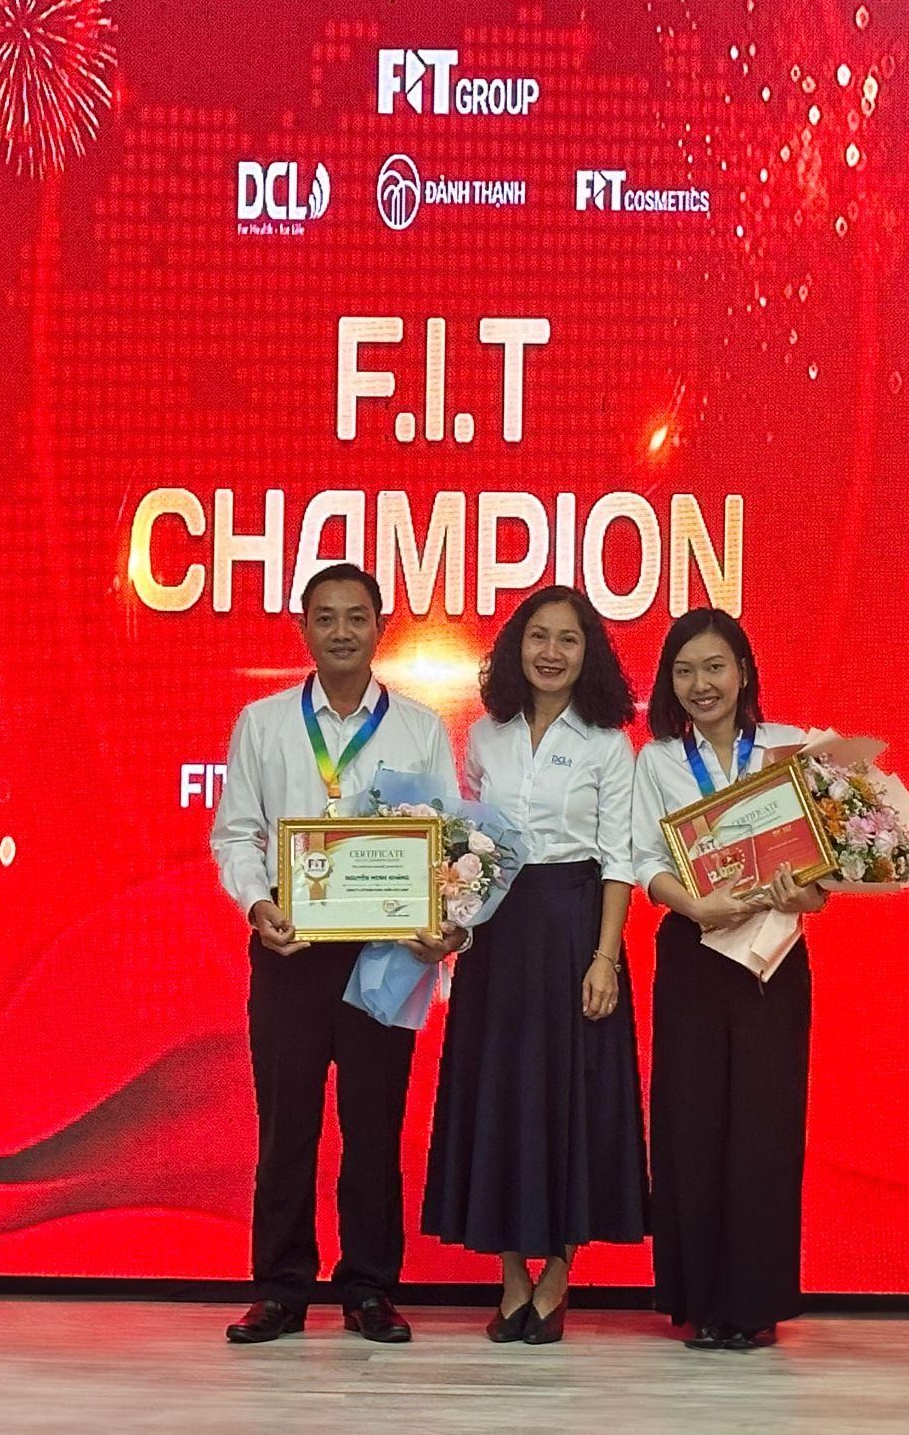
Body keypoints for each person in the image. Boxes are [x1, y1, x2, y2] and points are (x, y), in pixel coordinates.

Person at [211, 562, 466, 1346]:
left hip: (386, 953)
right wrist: (257, 905)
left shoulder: (419, 727)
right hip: (290, 948)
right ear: (303, 628)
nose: (342, 632)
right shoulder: (263, 723)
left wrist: (444, 924)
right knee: (287, 1126)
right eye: (326, 618)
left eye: (357, 617)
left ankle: (369, 1288)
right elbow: (235, 835)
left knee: (374, 1126)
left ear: (381, 626)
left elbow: (448, 844)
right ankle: (281, 1289)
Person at [423, 586, 648, 1345]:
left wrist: (605, 958)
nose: (551, 653)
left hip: (574, 929)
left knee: (567, 1102)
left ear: (590, 654)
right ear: (516, 647)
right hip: (498, 937)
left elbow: (619, 859)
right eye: (538, 637)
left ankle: (557, 1276)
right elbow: (468, 847)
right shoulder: (486, 736)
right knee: (503, 1099)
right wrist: (454, 927)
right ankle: (513, 1275)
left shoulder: (608, 744)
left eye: (569, 640)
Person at [631, 608, 827, 1351]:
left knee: (765, 1132)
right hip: (694, 951)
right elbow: (644, 860)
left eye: (714, 667)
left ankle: (756, 1304)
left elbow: (822, 879)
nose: (700, 684)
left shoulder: (790, 749)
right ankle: (705, 1301)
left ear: (743, 671)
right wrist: (695, 905)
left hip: (775, 959)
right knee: (693, 1128)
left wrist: (802, 893)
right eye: (684, 671)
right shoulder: (657, 761)